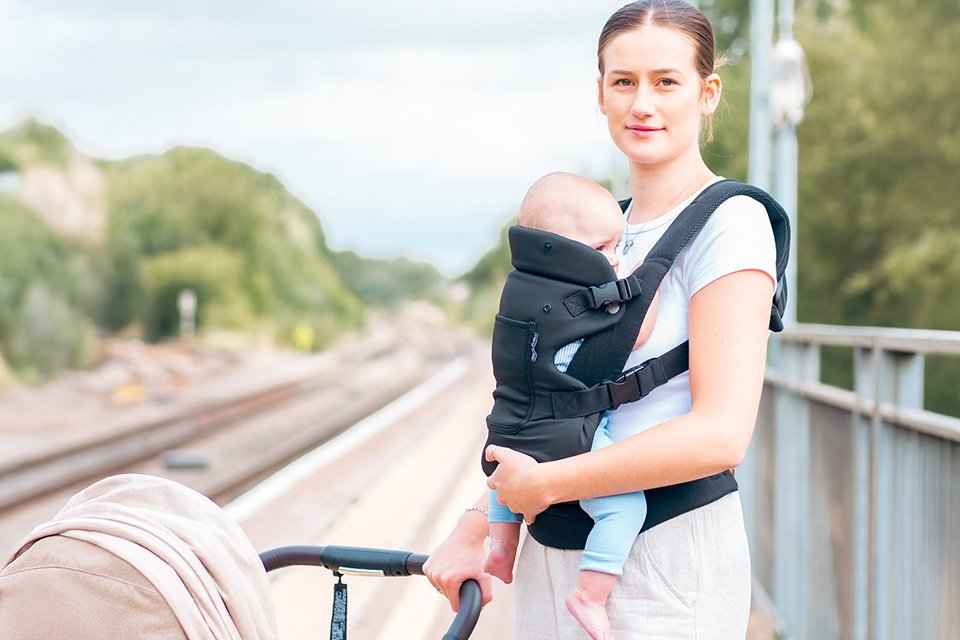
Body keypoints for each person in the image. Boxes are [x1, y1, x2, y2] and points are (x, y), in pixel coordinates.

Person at [424, 1, 778, 638]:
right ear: (601, 93)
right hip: (554, 555)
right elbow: (557, 411)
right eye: (624, 82)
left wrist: (549, 483)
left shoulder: (730, 223)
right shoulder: (591, 229)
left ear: (708, 94)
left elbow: (722, 435)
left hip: (663, 559)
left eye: (666, 81)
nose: (643, 104)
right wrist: (476, 523)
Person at [483, 171, 660, 639]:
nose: (614, 259)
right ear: (562, 247)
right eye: (603, 248)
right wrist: (651, 281)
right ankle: (590, 594)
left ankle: (501, 547)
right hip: (563, 437)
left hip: (508, 424)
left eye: (618, 246)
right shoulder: (579, 298)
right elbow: (637, 331)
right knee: (625, 508)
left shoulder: (521, 287)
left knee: (505, 477)